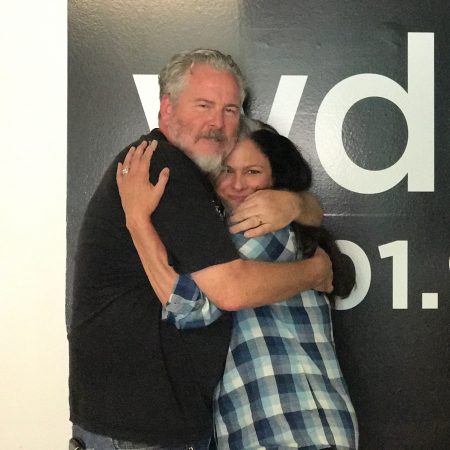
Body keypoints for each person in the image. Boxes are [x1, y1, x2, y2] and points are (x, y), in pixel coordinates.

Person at [69, 49, 333, 449]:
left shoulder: (194, 180)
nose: (217, 123)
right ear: (166, 109)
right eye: (204, 105)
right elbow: (228, 291)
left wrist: (299, 204)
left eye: (230, 110)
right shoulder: (163, 168)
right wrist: (314, 273)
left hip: (154, 422)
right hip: (138, 427)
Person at [116, 118, 358, 449]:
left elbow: (192, 307)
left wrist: (136, 219)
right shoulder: (254, 230)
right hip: (294, 425)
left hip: (286, 425)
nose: (238, 184)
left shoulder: (260, 228)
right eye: (226, 171)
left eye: (252, 172)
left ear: (276, 179)